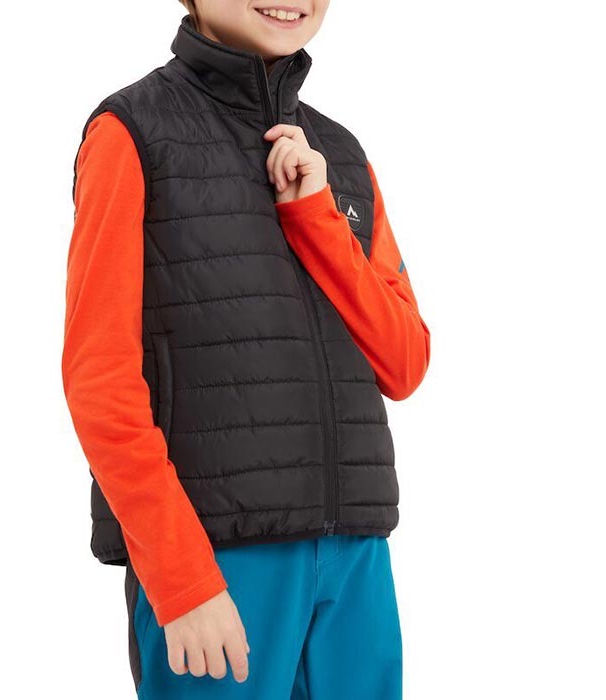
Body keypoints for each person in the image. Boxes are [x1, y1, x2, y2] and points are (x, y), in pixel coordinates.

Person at [62, 1, 431, 697]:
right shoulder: (132, 132)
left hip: (356, 558)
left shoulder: (339, 154)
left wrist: (315, 215)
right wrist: (181, 579)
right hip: (215, 563)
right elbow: (99, 380)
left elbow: (404, 362)